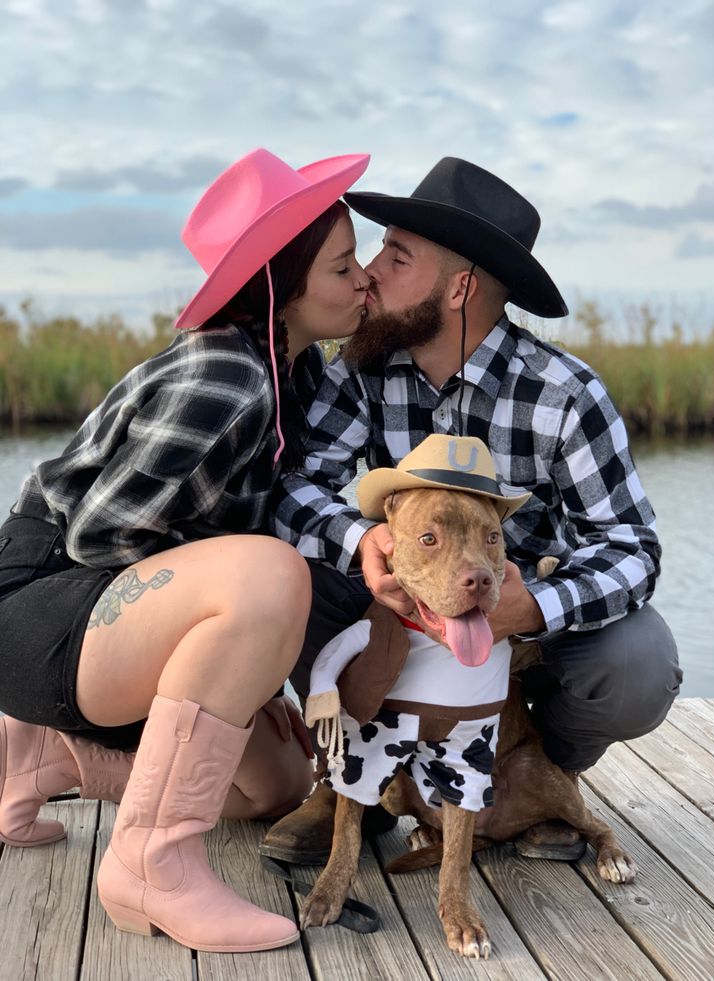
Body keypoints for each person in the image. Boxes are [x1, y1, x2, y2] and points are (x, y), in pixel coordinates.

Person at [0, 147, 371, 953]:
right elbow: (98, 533)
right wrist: (227, 607)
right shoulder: (227, 375)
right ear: (281, 282)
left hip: (97, 618)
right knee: (270, 573)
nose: (365, 279)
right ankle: (149, 865)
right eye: (344, 267)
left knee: (274, 783)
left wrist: (232, 652)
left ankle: (49, 757)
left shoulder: (291, 374)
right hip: (40, 603)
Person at [261, 156, 682, 864]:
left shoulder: (564, 394)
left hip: (519, 624)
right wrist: (364, 540)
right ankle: (347, 783)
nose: (369, 273)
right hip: (406, 606)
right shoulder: (360, 369)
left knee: (638, 660)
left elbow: (632, 546)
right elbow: (293, 486)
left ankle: (534, 778)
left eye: (396, 256)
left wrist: (536, 606)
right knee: (286, 573)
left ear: (459, 287)